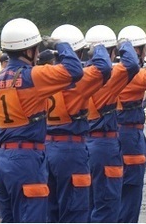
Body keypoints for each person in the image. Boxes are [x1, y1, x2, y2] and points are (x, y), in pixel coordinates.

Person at [0, 18, 83, 223]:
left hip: (4, 159)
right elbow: (74, 70)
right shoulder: (34, 76)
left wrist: (0, 159)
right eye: (36, 49)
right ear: (29, 51)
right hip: (27, 158)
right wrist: (59, 44)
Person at [44, 24, 112, 223]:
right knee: (75, 212)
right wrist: (98, 47)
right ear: (80, 53)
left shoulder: (42, 74)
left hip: (46, 147)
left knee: (51, 212)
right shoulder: (79, 80)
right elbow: (104, 67)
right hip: (71, 150)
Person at [84, 25, 140, 223]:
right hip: (104, 145)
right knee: (107, 206)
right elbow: (133, 64)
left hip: (84, 144)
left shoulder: (80, 75)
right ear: (110, 52)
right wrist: (125, 43)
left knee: (88, 204)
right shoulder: (108, 77)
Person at [115, 26, 146, 223]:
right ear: (138, 50)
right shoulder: (132, 74)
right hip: (130, 135)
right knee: (131, 190)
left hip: (111, 132)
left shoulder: (110, 70)